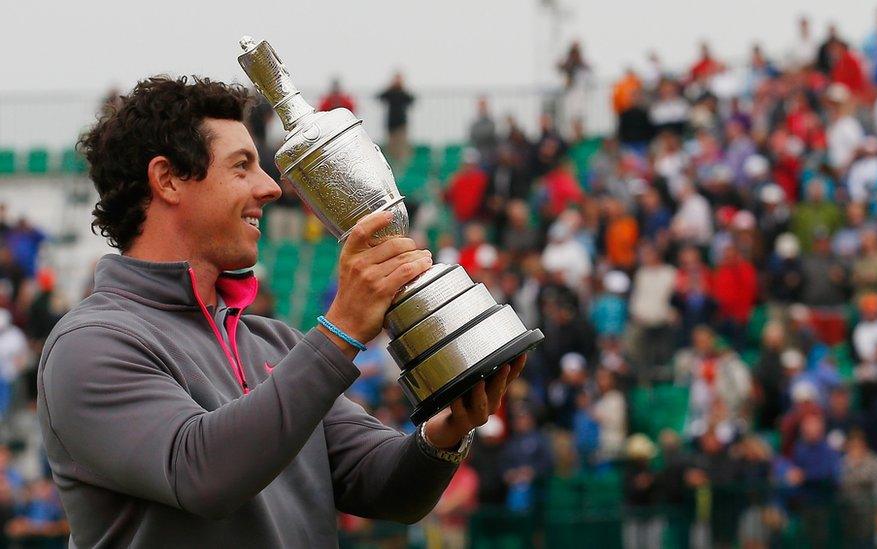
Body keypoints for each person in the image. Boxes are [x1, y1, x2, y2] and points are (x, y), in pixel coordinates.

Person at [38, 76, 527, 547]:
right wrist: (340, 331)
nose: (271, 187)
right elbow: (202, 475)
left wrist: (449, 429)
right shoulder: (90, 344)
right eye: (242, 166)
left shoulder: (272, 342)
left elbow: (384, 485)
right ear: (167, 180)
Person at [376, 72, 415, 161]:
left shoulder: (403, 93)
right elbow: (380, 97)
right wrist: (390, 87)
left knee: (401, 147)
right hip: (391, 124)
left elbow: (411, 99)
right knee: (391, 147)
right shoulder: (390, 93)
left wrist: (402, 88)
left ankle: (401, 165)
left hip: (401, 124)